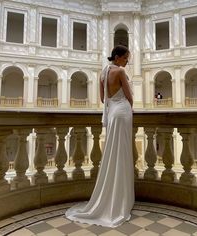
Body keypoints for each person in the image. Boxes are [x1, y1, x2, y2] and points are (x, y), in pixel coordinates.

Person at [65, 45, 134, 228]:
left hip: (112, 114)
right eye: (126, 57)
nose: (128, 61)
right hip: (123, 111)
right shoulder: (119, 72)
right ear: (118, 57)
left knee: (113, 153)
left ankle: (111, 197)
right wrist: (128, 104)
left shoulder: (103, 73)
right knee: (122, 153)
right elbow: (129, 96)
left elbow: (104, 99)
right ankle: (121, 200)